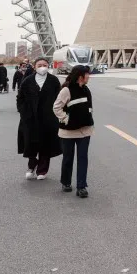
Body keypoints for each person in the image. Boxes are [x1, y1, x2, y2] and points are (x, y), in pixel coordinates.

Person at [16, 57, 62, 179]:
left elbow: (60, 98)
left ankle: (42, 170)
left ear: (48, 66)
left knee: (46, 144)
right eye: (39, 65)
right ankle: (31, 166)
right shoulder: (27, 80)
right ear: (35, 66)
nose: (42, 67)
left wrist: (58, 113)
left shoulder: (54, 81)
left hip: (48, 119)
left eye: (45, 65)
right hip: (30, 119)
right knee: (31, 143)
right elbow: (20, 98)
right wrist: (23, 112)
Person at [53, 65, 93, 197]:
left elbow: (88, 108)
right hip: (68, 132)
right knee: (68, 158)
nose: (89, 76)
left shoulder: (86, 89)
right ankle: (66, 182)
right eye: (87, 74)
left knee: (83, 159)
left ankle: (81, 187)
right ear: (80, 76)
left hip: (85, 131)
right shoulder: (67, 90)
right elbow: (56, 107)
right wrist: (66, 119)